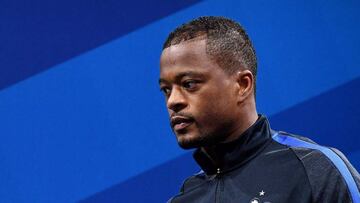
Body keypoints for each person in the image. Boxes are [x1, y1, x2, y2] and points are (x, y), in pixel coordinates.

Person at [159, 16, 360, 203]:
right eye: (166, 90)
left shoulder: (316, 170)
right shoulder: (185, 199)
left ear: (242, 85)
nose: (173, 101)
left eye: (189, 84)